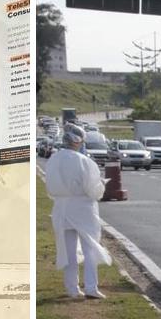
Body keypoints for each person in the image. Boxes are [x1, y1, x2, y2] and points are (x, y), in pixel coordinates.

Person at [45, 124, 111, 299]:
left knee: (68, 251)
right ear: (77, 141)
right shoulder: (84, 161)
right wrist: (102, 185)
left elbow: (50, 187)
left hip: (61, 208)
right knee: (90, 248)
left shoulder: (54, 160)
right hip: (83, 208)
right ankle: (91, 287)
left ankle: (72, 288)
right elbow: (93, 190)